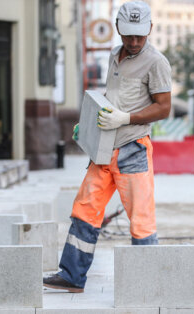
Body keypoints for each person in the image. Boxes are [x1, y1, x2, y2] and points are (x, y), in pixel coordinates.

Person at [43, 1, 171, 293]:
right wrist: (88, 123)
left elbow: (163, 108)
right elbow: (112, 97)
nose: (135, 42)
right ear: (118, 30)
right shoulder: (115, 55)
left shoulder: (156, 62)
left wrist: (126, 118)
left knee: (141, 219)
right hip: (103, 150)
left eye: (140, 35)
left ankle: (146, 286)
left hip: (132, 149)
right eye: (129, 35)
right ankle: (72, 276)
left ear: (150, 29)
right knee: (85, 209)